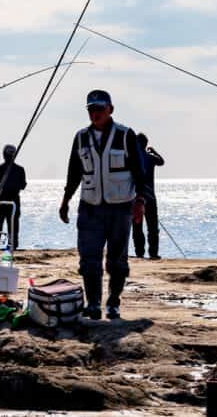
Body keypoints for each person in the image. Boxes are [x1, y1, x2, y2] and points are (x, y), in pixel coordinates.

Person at [59, 89, 146, 320]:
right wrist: (65, 200)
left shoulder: (125, 135)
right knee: (89, 258)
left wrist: (140, 201)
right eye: (91, 110)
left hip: (120, 207)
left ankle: (113, 303)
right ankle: (93, 304)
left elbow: (140, 172)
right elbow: (73, 172)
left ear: (110, 110)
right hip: (90, 207)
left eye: (99, 109)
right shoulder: (80, 137)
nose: (95, 113)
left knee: (117, 259)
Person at [132, 133, 164, 260]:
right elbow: (161, 161)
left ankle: (140, 253)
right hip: (150, 197)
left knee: (137, 227)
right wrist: (155, 151)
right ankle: (153, 253)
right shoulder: (150, 157)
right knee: (153, 227)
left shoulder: (133, 158)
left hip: (136, 197)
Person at [0, 144, 27, 251]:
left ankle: (12, 244)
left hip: (12, 201)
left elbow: (23, 185)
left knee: (13, 224)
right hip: (0, 201)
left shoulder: (19, 169)